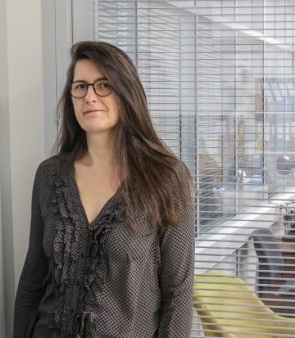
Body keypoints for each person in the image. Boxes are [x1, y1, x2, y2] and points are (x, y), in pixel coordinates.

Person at [13, 41, 194, 338]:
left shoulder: (167, 177)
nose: (90, 97)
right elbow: (33, 278)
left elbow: (178, 292)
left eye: (103, 85)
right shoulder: (50, 175)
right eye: (80, 87)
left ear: (126, 93)